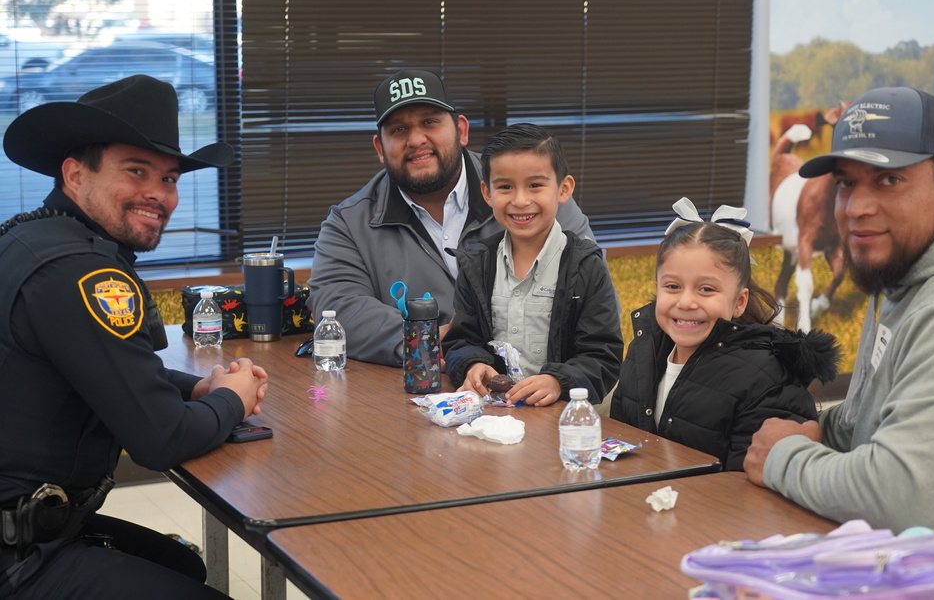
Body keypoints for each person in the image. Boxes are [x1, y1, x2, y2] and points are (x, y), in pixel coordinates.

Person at [0, 75, 269, 599]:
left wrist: (196, 388)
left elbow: (97, 365)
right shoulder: (85, 272)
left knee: (180, 565)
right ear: (75, 174)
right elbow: (161, 439)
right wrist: (233, 400)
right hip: (19, 556)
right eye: (135, 170)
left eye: (168, 178)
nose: (158, 194)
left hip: (35, 519)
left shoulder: (33, 238)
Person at [744, 86, 934, 532]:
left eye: (889, 180)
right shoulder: (904, 274)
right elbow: (867, 423)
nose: (856, 208)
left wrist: (782, 456)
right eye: (846, 184)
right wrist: (807, 427)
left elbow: (901, 498)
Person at [307, 70, 595, 366]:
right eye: (398, 129)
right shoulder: (349, 224)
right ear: (380, 148)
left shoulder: (534, 192)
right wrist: (426, 340)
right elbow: (338, 306)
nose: (416, 139)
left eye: (430, 122)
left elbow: (587, 285)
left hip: (547, 376)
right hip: (428, 383)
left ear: (461, 131)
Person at [610, 198, 839, 470]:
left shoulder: (765, 380)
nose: (686, 302)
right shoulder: (643, 350)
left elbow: (751, 481)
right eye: (672, 286)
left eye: (706, 289)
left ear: (739, 302)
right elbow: (620, 444)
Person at [442, 124, 621, 406]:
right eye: (505, 187)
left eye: (535, 185)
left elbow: (602, 356)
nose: (521, 200)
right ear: (487, 193)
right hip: (493, 415)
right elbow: (461, 340)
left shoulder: (586, 266)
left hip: (559, 416)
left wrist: (558, 381)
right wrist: (472, 364)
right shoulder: (477, 263)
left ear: (563, 189)